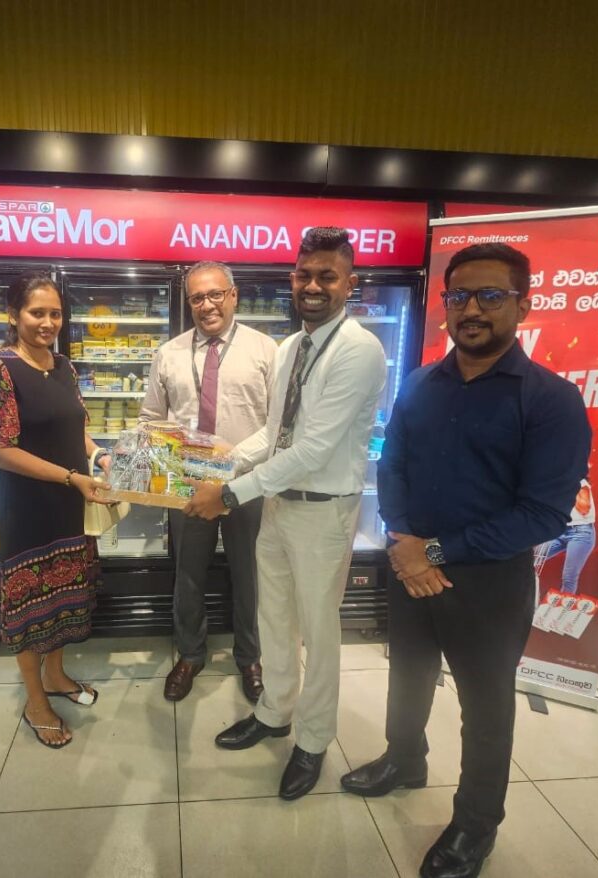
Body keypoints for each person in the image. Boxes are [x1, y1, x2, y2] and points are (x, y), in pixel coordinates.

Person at [342, 243, 590, 878]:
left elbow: (542, 514)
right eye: (459, 296)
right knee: (408, 674)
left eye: (490, 295)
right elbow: (392, 466)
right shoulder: (420, 383)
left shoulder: (552, 400)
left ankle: (475, 824)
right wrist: (404, 542)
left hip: (489, 582)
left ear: (523, 305)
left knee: (485, 709)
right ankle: (404, 759)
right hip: (410, 564)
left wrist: (431, 551)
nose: (472, 309)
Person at [185, 227, 387, 800]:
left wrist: (228, 495)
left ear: (350, 282)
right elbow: (274, 435)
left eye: (327, 276)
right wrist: (217, 464)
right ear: (292, 280)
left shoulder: (359, 350)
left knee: (318, 633)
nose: (313, 286)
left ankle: (314, 740)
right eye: (304, 275)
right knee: (273, 618)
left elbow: (313, 451)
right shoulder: (291, 347)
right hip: (278, 505)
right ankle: (274, 712)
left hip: (324, 514)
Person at [0, 273, 113, 750]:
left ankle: (56, 676)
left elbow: (76, 428)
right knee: (31, 609)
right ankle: (35, 702)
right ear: (14, 316)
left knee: (65, 600)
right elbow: (3, 452)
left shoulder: (64, 366)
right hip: (29, 510)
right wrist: (72, 477)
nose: (48, 322)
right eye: (37, 313)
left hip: (71, 505)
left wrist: (100, 456)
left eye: (55, 313)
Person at [140, 260, 277, 704]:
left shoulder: (266, 350)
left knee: (250, 573)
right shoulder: (169, 353)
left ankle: (250, 658)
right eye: (197, 297)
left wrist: (231, 465)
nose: (207, 305)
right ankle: (190, 654)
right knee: (188, 573)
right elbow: (151, 418)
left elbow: (278, 424)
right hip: (187, 485)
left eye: (216, 294)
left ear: (233, 295)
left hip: (247, 482)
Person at [538, 479, 596, 595]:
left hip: (580, 532)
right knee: (533, 558)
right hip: (561, 530)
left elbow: (584, 508)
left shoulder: (580, 482)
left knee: (569, 577)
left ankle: (564, 605)